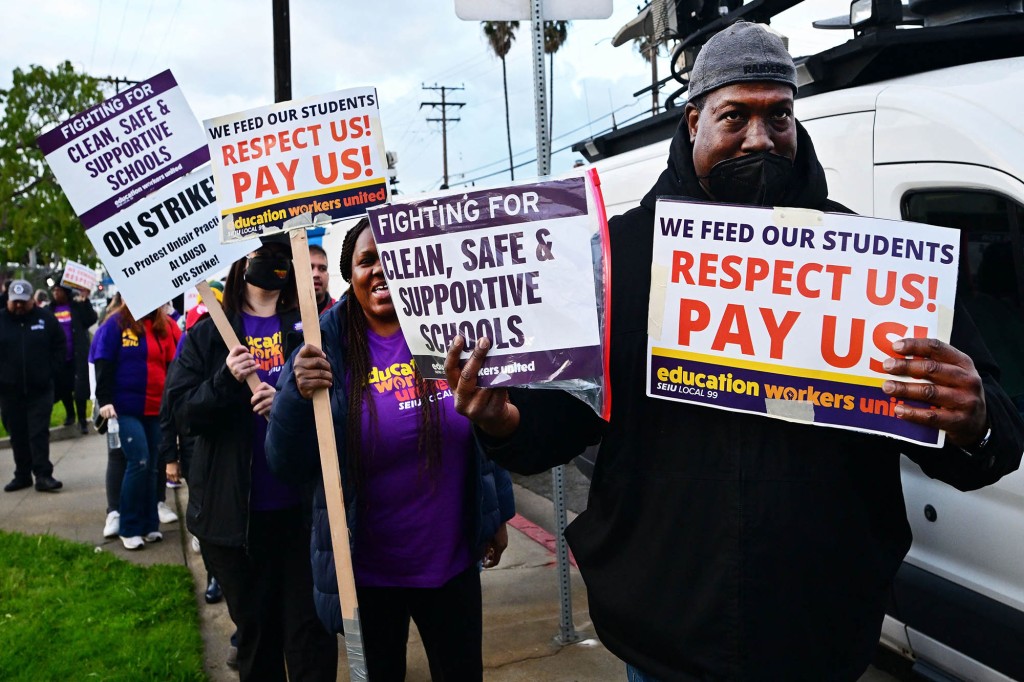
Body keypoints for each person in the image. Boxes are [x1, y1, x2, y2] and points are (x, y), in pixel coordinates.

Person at [444, 22, 1024, 681]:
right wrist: (502, 421)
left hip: (819, 641)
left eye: (779, 115)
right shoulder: (618, 257)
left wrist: (973, 419)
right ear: (693, 122)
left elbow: (988, 441)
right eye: (735, 115)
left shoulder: (875, 270)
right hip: (662, 640)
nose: (760, 139)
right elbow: (560, 423)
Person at [265, 218, 514, 681]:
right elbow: (284, 460)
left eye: (393, 259)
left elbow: (479, 426)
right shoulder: (323, 344)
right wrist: (296, 396)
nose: (381, 270)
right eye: (367, 260)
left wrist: (495, 512)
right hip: (369, 573)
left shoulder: (443, 330)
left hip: (451, 562)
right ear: (350, 273)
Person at [164, 235, 337, 682]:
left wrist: (291, 402)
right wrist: (225, 380)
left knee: (311, 634)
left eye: (284, 255)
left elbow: (343, 406)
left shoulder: (311, 328)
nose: (274, 264)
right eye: (265, 253)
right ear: (242, 261)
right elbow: (182, 413)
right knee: (258, 637)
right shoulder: (208, 334)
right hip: (235, 522)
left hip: (304, 515)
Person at [90, 300, 180, 549]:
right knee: (139, 461)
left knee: (153, 466)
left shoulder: (163, 326)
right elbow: (103, 361)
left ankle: (149, 524)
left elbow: (172, 365)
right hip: (123, 408)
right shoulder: (115, 324)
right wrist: (105, 399)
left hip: (156, 408)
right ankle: (129, 526)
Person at [0, 280, 65, 493]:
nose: (19, 306)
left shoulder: (46, 319)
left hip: (40, 389)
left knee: (38, 432)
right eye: (15, 302)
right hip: (10, 391)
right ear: (9, 300)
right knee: (17, 433)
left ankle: (43, 474)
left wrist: (50, 372)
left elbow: (59, 346)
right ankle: (22, 474)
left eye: (23, 302)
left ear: (31, 301)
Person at [50, 283, 98, 434]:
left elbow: (90, 319)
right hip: (60, 358)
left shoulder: (76, 306)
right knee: (64, 389)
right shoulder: (49, 310)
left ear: (66, 292)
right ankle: (70, 415)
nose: (56, 293)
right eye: (54, 291)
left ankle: (82, 420)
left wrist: (86, 301)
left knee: (80, 391)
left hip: (78, 356)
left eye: (59, 290)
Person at [309, 243, 335, 314]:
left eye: (323, 268)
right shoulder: (286, 315)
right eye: (310, 268)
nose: (316, 274)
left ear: (328, 276)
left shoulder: (340, 313)